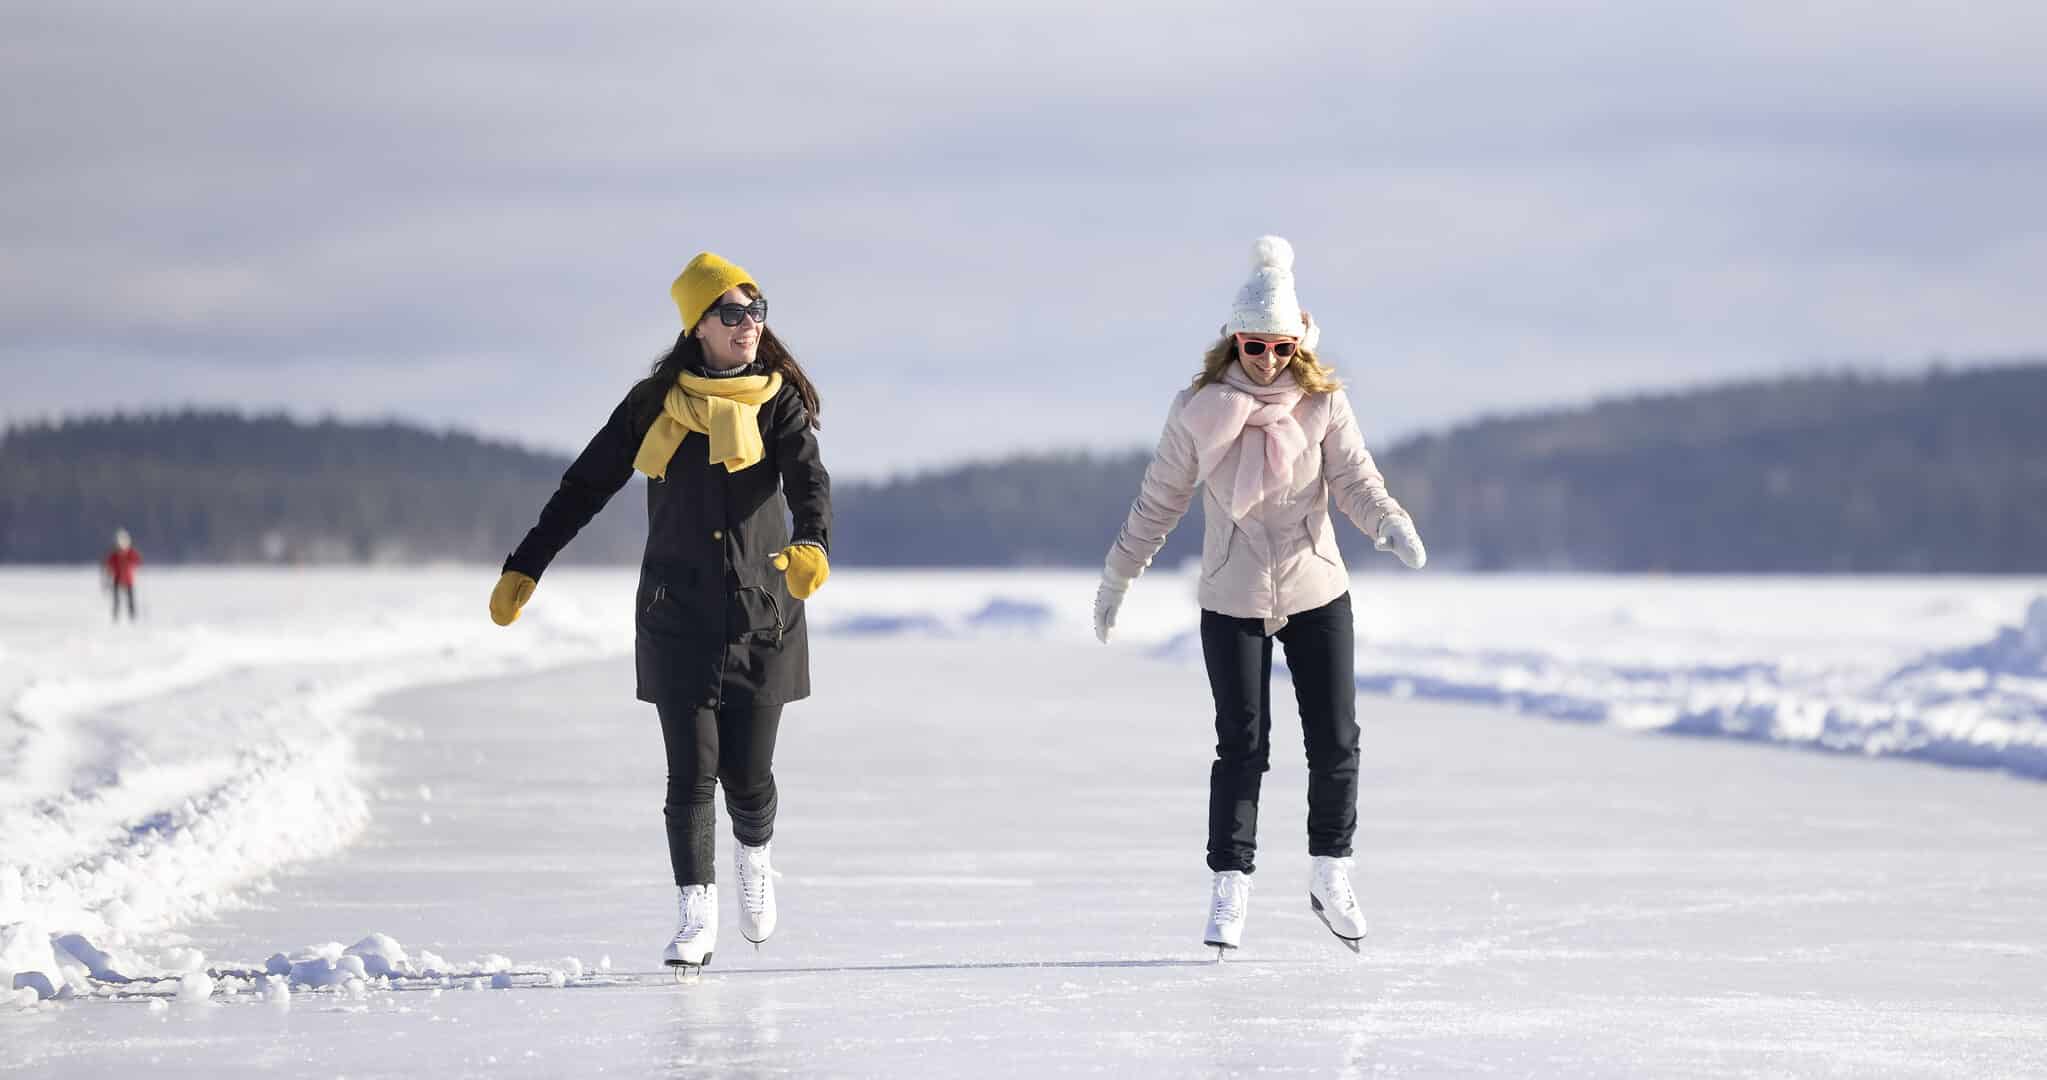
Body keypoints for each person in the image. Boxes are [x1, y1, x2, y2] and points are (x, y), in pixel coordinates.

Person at [490, 251, 831, 970]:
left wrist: (812, 543)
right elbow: (585, 485)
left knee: (747, 778)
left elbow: (808, 481)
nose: (749, 325)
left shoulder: (778, 403)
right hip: (677, 613)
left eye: (756, 310)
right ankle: (694, 916)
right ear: (697, 325)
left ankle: (755, 859)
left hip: (763, 614)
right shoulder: (652, 405)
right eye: (732, 313)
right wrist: (526, 563)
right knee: (689, 772)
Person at [1094, 236, 1426, 955]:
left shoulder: (1322, 407)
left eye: (1279, 347)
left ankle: (1331, 872)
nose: (1267, 360)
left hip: (1316, 589)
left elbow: (1356, 482)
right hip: (1232, 595)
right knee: (1242, 747)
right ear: (1232, 342)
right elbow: (1158, 501)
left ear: (1296, 344)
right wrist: (1119, 576)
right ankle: (1230, 885)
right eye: (1254, 346)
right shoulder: (1197, 412)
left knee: (1335, 739)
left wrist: (1388, 522)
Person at [103, 529, 141, 621]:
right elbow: (108, 565)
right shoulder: (114, 554)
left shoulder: (130, 553)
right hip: (118, 579)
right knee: (117, 600)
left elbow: (137, 561)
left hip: (128, 579)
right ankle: (116, 616)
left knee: (130, 599)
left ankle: (132, 616)